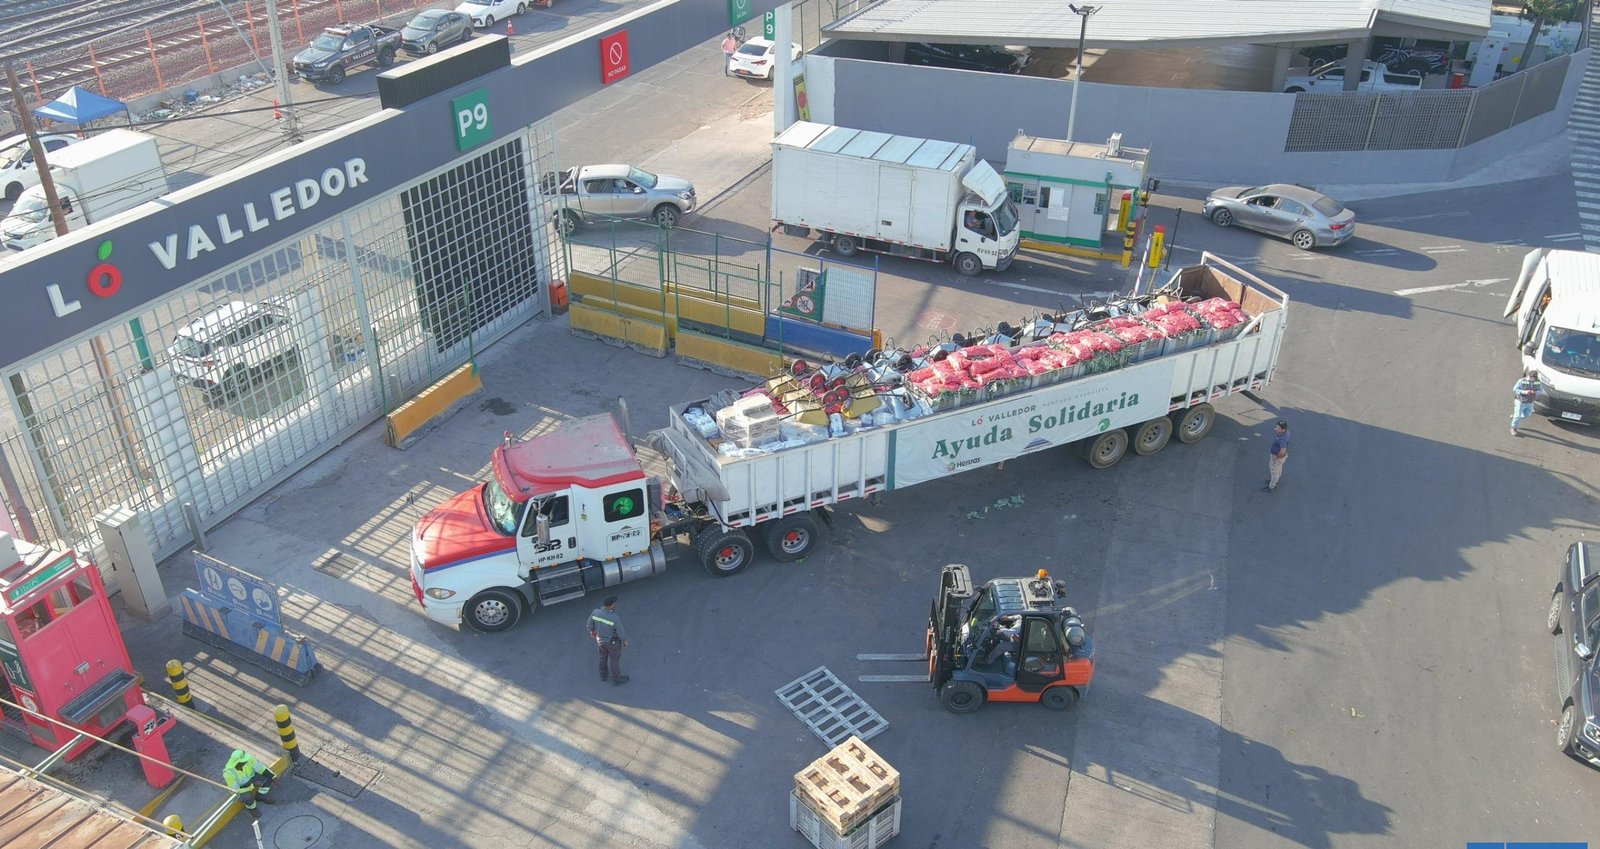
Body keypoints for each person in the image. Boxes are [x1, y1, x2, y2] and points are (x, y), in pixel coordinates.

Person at [588, 595, 630, 685]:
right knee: (614, 660)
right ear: (611, 605)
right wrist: (624, 641)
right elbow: (620, 631)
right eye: (614, 603)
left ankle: (603, 675)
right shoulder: (614, 617)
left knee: (602, 657)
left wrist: (591, 631)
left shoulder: (595, 612)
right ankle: (616, 678)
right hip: (612, 643)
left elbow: (589, 624)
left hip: (600, 641)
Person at [224, 749, 275, 818]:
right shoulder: (228, 773)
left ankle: (260, 796)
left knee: (268, 777)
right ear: (237, 762)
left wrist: (273, 777)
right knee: (247, 796)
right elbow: (235, 791)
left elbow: (260, 767)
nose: (246, 761)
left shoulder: (248, 759)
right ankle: (252, 808)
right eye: (243, 761)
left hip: (251, 779)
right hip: (241, 788)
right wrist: (252, 786)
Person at [1511, 369, 1539, 435]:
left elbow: (1542, 391)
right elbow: (1514, 389)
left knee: (1528, 414)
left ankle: (1516, 417)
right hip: (1521, 401)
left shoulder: (1537, 382)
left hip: (1530, 402)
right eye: (1530, 377)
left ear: (1535, 378)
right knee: (1517, 416)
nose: (1530, 379)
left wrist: (1535, 392)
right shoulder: (1521, 381)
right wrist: (1525, 392)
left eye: (1532, 378)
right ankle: (1513, 428)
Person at [1264, 420, 1290, 492]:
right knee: (1278, 469)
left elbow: (1282, 451)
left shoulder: (1282, 440)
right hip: (1281, 457)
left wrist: (1276, 457)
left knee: (1274, 471)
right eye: (1276, 427)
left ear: (1283, 429)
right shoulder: (1287, 432)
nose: (1275, 429)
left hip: (1278, 457)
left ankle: (1271, 486)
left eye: (1278, 428)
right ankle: (1274, 481)